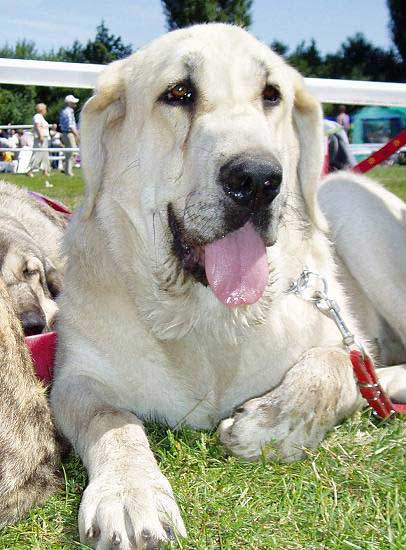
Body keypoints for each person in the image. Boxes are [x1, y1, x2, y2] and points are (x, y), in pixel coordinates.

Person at [26, 103, 50, 178]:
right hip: (40, 138)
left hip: (44, 138)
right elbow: (37, 126)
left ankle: (45, 171)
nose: (46, 111)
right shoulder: (37, 116)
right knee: (38, 154)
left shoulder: (41, 117)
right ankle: (30, 170)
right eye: (45, 109)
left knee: (45, 155)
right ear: (42, 110)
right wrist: (41, 136)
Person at [59, 94, 80, 176]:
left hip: (65, 133)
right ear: (69, 103)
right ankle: (68, 171)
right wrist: (77, 134)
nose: (75, 104)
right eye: (73, 102)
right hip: (69, 133)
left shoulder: (64, 111)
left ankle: (66, 169)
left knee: (69, 153)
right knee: (73, 152)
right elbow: (71, 125)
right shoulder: (69, 112)